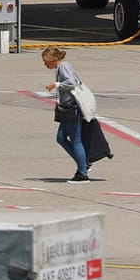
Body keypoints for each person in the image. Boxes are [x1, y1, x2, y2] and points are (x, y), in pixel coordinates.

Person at [41, 48, 90, 182]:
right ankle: (83, 163)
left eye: (46, 62)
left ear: (52, 59)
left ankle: (82, 173)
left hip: (71, 108)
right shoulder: (62, 67)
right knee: (61, 137)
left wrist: (56, 85)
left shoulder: (63, 67)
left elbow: (71, 83)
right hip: (66, 108)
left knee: (76, 140)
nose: (45, 65)